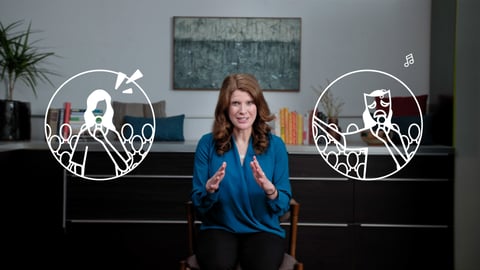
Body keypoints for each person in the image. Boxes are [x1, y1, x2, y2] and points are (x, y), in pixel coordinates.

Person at [191, 73, 293, 270]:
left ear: (258, 106)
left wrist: (270, 190)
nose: (243, 111)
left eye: (249, 103)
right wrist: (210, 190)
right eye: (236, 103)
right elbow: (199, 205)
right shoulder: (207, 144)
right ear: (225, 107)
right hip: (219, 228)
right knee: (218, 264)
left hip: (264, 230)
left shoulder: (276, 146)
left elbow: (282, 206)